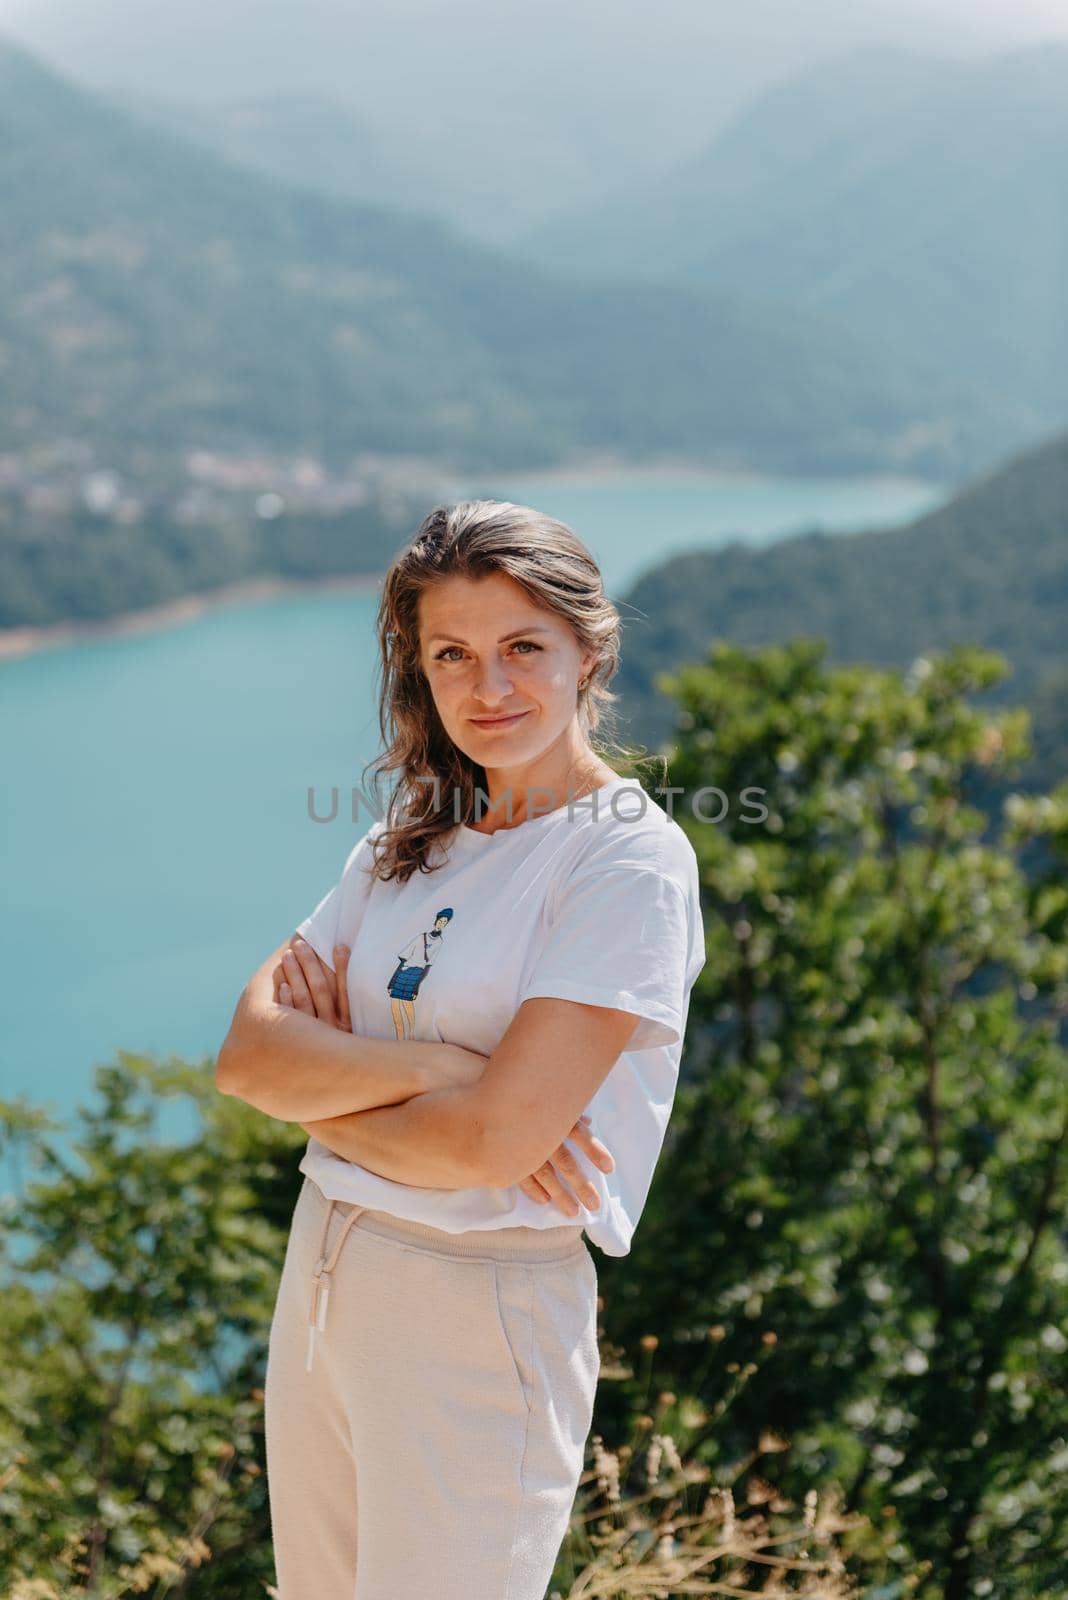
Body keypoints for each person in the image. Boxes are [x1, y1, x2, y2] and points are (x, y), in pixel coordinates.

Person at [215, 500, 706, 1600]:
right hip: (328, 1267)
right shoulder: (406, 837)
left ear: (589, 649)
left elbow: (492, 1144)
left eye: (523, 647)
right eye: (453, 655)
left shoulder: (624, 863)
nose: (488, 688)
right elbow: (248, 1057)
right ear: (419, 671)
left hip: (478, 1304)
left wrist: (333, 1085)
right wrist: (441, 1074)